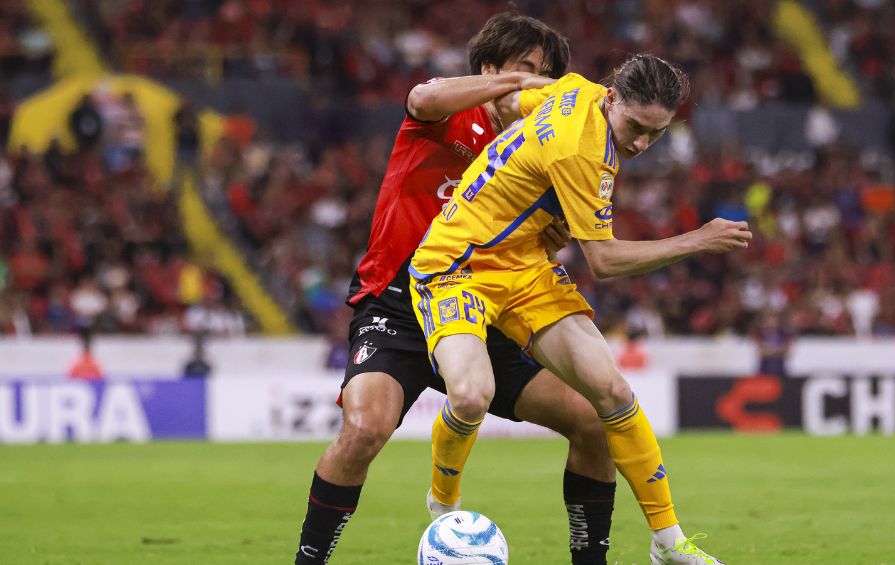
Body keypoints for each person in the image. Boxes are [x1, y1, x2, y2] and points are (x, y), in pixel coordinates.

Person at [294, 14, 621, 565]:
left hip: (481, 312)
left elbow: (533, 247)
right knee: (364, 427)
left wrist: (550, 237)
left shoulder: (540, 152)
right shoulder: (447, 112)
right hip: (399, 306)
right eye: (525, 70)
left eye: (546, 76)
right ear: (490, 69)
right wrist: (519, 85)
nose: (538, 84)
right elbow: (423, 97)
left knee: (593, 422)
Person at [410, 56, 752, 564]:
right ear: (612, 97)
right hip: (456, 264)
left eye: (655, 135)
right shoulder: (580, 148)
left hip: (524, 264)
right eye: (635, 128)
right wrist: (698, 239)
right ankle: (444, 508)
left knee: (611, 390)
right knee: (472, 395)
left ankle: (668, 542)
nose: (639, 144)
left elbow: (508, 101)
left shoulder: (577, 90)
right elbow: (605, 261)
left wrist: (529, 188)